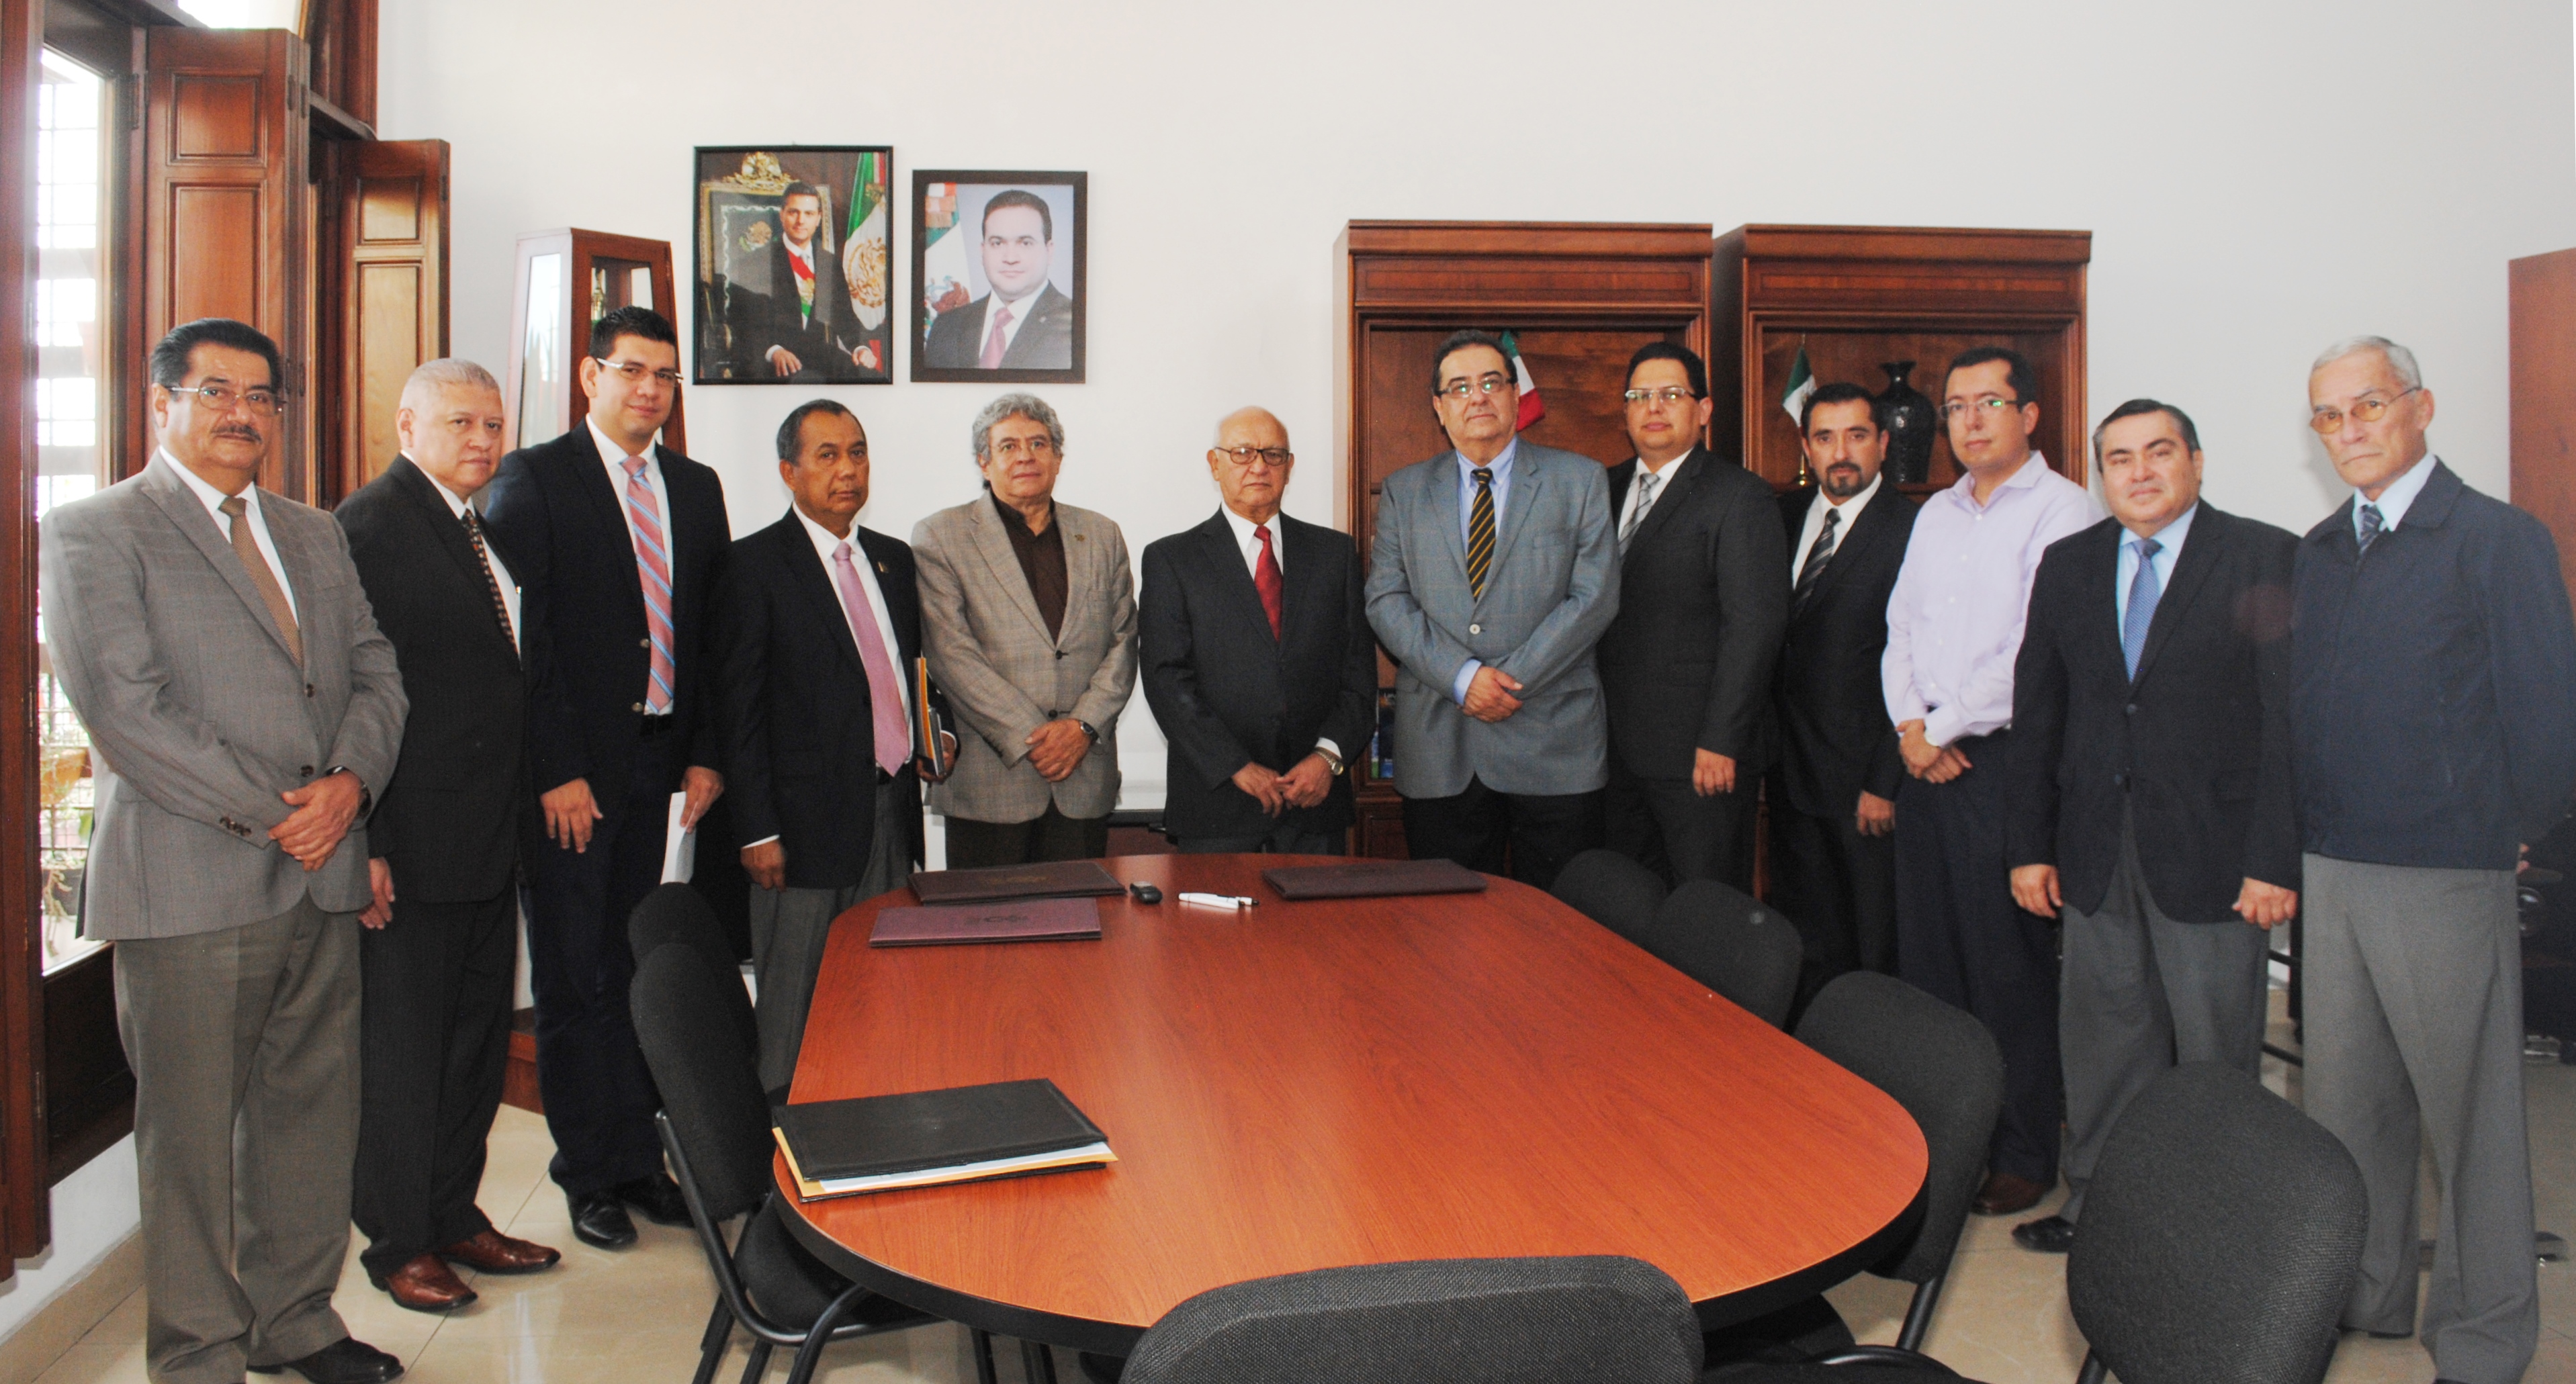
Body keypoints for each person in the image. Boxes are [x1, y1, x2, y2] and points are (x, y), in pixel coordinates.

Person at [41, 318, 408, 1384]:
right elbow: (129, 716)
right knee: (193, 1145)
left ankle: (296, 1322)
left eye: (259, 396)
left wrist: (350, 785)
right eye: (215, 392)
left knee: (309, 1118)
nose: (241, 414)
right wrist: (291, 814)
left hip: (321, 877)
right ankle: (199, 1354)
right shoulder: (94, 530)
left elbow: (377, 672)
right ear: (161, 402)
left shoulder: (314, 532)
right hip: (191, 885)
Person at [2292, 336, 2576, 1384]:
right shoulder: (2320, 548)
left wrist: (2512, 829)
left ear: (2418, 407)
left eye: (2367, 404)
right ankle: (2364, 1293)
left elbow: (2546, 708)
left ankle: (2483, 1335)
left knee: (2471, 1125)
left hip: (2444, 868)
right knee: (2346, 1106)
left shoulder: (2494, 538)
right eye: (2327, 415)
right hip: (2332, 862)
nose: (2348, 429)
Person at [2000, 398, 2299, 1256]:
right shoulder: (2069, 563)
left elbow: (2288, 724)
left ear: (2195, 461)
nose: (2139, 472)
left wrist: (2274, 860)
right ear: (2101, 476)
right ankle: (2099, 1204)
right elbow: (2039, 713)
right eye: (2119, 458)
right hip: (2095, 846)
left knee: (2213, 1051)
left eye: (2158, 452)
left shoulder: (2262, 555)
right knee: (2104, 1039)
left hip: (2216, 854)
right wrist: (2029, 846)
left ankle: (2215, 1221)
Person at [481, 305, 730, 1250]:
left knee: (641, 972)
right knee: (573, 976)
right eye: (631, 370)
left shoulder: (695, 487)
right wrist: (556, 770)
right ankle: (586, 1173)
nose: (649, 390)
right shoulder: (534, 478)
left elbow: (711, 635)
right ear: (591, 376)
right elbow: (523, 640)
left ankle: (640, 1161)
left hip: (666, 769)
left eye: (664, 375)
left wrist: (705, 753)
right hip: (574, 782)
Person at [336, 360, 561, 1311]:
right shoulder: (368, 527)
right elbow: (350, 697)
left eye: (493, 424)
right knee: (405, 1057)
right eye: (460, 422)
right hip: (411, 847)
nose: (481, 440)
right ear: (407, 425)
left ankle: (453, 1214)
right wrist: (368, 843)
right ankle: (398, 1242)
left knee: (471, 1047)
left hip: (485, 838)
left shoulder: (479, 527)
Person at [1881, 344, 2097, 1217]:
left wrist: (1937, 731)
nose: (1969, 422)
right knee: (1931, 966)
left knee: (2006, 969)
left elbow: (2034, 652)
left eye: (1988, 404)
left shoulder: (2062, 510)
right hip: (1923, 759)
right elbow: (1898, 630)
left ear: (2028, 415)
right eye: (1956, 407)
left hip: (2005, 762)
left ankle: (2021, 1150)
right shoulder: (1935, 513)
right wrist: (1910, 728)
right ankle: (1946, 1141)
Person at [713, 400, 947, 1091]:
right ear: (789, 471)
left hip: (890, 813)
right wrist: (756, 829)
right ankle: (780, 1144)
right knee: (794, 1010)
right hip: (799, 833)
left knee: (880, 994)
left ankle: (865, 1125)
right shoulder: (751, 565)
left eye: (857, 452)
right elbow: (738, 710)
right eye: (827, 455)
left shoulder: (894, 560)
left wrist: (937, 734)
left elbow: (913, 674)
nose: (847, 469)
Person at [1364, 329, 1619, 889]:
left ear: (1513, 394)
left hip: (1554, 744)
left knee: (1559, 923)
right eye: (1458, 387)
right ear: (1438, 407)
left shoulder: (1578, 480)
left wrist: (1504, 683)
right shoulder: (1405, 491)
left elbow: (1594, 597)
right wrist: (1463, 678)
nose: (1476, 396)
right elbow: (1385, 601)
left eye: (1490, 382)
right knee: (1447, 924)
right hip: (1441, 748)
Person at [912, 394, 1136, 866]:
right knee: (987, 915)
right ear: (984, 461)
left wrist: (1081, 728)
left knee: (1081, 911)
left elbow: (1124, 643)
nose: (1026, 456)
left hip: (1083, 777)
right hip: (989, 784)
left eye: (1038, 444)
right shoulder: (941, 535)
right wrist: (1037, 737)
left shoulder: (1102, 534)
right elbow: (950, 654)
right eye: (1008, 446)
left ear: (1058, 457)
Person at [1593, 342, 1785, 890]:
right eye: (1639, 396)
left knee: (1704, 909)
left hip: (1699, 758)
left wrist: (1722, 739)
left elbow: (1753, 629)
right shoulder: (1599, 489)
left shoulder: (1739, 497)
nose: (1653, 407)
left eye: (1670, 394)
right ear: (1625, 412)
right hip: (1610, 753)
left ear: (1703, 410)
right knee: (1626, 908)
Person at [1140, 408, 1376, 854]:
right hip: (1217, 806)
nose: (1259, 466)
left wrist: (1327, 757)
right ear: (1214, 464)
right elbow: (1166, 680)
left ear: (1289, 466)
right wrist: (1236, 766)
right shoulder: (1172, 559)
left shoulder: (1335, 554)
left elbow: (1358, 676)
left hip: (1315, 802)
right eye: (1242, 453)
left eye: (1273, 454)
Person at [1767, 382, 1918, 1010]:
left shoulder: (1913, 529)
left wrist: (1885, 779)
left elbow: (1917, 663)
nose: (1841, 452)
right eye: (1825, 437)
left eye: (1856, 435)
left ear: (1882, 442)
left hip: (1864, 783)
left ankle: (1877, 1062)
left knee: (1874, 944)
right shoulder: (1780, 516)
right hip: (1787, 772)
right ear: (1806, 447)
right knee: (1805, 940)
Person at [728, 181, 870, 382]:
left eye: (809, 214)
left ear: (818, 218)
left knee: (855, 373)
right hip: (770, 356)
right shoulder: (756, 263)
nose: (801, 221)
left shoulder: (828, 263)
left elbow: (844, 315)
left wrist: (860, 347)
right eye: (794, 212)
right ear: (782, 215)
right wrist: (774, 351)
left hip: (816, 354)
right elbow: (745, 322)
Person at [920, 190, 1075, 371]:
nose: (1010, 258)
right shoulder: (946, 327)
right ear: (983, 251)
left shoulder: (1077, 324)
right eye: (997, 243)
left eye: (1025, 243)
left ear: (1049, 251)